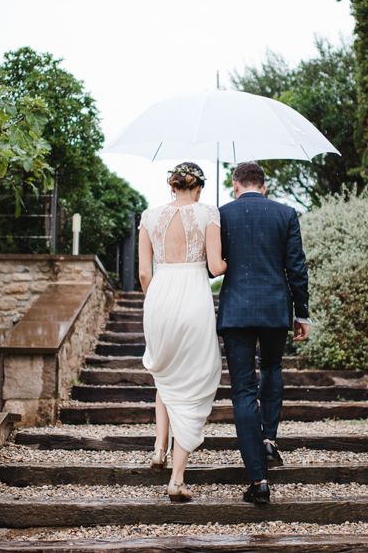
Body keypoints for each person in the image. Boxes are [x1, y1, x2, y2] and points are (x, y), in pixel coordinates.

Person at [217, 161, 310, 505]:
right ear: (264, 186)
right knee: (272, 369)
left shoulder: (221, 214)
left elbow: (214, 263)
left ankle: (258, 480)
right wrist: (302, 313)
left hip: (237, 310)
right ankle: (269, 439)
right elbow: (296, 267)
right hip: (274, 308)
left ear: (235, 184)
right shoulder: (286, 214)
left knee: (242, 390)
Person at [138, 161, 226, 502]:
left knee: (166, 377)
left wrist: (157, 301)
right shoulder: (208, 213)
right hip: (193, 298)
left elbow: (145, 274)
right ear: (199, 187)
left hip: (159, 299)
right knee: (194, 382)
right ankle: (176, 479)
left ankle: (159, 447)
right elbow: (216, 267)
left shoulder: (149, 216)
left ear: (171, 186)